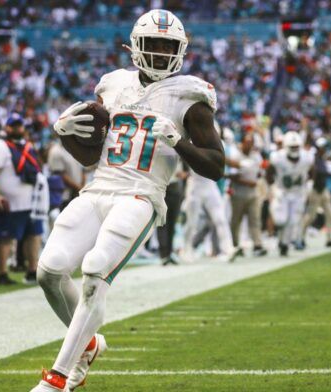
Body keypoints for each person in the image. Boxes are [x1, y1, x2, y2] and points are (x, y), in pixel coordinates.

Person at [31, 9, 225, 391]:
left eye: (167, 46)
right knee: (49, 272)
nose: (159, 52)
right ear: (135, 45)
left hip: (141, 194)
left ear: (181, 50)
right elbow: (90, 156)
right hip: (98, 187)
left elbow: (217, 166)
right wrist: (65, 134)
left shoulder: (191, 96)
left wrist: (178, 142)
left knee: (94, 273)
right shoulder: (111, 85)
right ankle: (87, 344)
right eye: (152, 44)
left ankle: (56, 380)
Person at [0, 113, 43, 285]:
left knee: (33, 235)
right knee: (4, 239)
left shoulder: (27, 146)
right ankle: (2, 273)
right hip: (8, 203)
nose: (17, 128)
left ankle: (32, 270)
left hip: (31, 202)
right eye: (13, 125)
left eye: (19, 125)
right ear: (6, 127)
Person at [266, 131, 313, 257]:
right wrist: (271, 187)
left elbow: (313, 171)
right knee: (281, 220)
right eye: (292, 147)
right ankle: (282, 240)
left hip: (298, 193)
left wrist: (308, 184)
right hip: (282, 191)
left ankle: (284, 244)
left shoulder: (306, 157)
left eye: (296, 146)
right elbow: (269, 172)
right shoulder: (277, 157)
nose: (295, 149)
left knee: (292, 221)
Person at [228, 132, 267, 260]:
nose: (249, 145)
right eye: (247, 142)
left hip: (253, 193)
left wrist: (256, 179)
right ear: (243, 143)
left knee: (255, 219)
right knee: (236, 220)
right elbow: (232, 176)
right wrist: (247, 182)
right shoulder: (235, 155)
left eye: (251, 143)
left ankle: (257, 245)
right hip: (238, 192)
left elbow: (260, 172)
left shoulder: (256, 156)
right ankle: (235, 244)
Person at [300, 137, 331, 248]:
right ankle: (300, 237)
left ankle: (329, 239)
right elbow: (310, 173)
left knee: (330, 212)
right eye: (323, 147)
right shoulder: (313, 158)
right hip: (315, 189)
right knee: (311, 216)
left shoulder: (322, 159)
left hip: (323, 189)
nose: (325, 149)